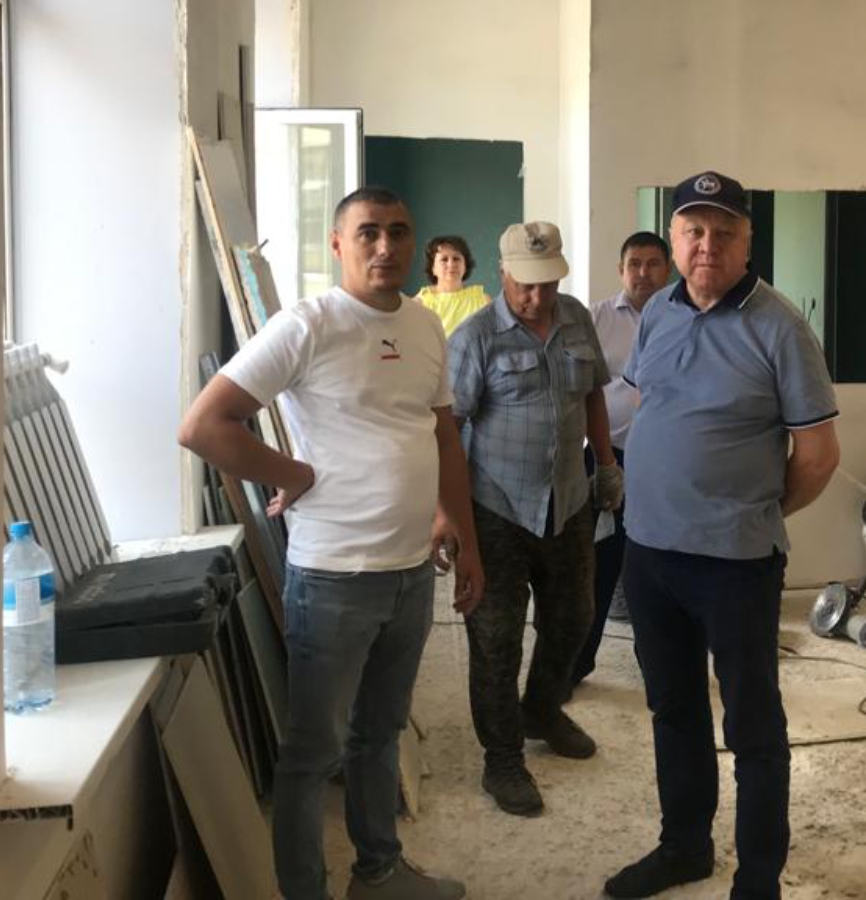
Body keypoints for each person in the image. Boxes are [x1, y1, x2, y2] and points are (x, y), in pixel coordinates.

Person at [178, 187, 482, 900]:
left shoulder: (424, 324)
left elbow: (442, 435)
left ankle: (379, 872)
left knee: (380, 733)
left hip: (411, 571)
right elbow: (204, 426)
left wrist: (462, 532)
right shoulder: (307, 326)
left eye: (399, 231)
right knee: (313, 754)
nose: (386, 246)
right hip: (335, 576)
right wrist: (295, 473)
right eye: (368, 232)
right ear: (338, 245)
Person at [605, 171, 839, 900]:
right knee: (673, 708)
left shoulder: (781, 328)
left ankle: (758, 879)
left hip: (735, 563)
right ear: (675, 240)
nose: (707, 245)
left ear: (747, 241)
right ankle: (685, 846)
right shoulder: (659, 310)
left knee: (753, 727)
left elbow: (818, 456)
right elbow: (646, 405)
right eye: (693, 231)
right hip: (650, 554)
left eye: (723, 232)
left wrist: (752, 512)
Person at [448, 220, 623, 817]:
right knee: (496, 639)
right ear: (503, 273)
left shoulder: (575, 318)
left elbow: (593, 393)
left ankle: (542, 710)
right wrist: (449, 517)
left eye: (548, 283)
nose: (538, 296)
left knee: (573, 619)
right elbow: (446, 431)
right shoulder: (475, 338)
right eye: (526, 284)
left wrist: (606, 465)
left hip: (568, 501)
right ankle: (502, 759)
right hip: (495, 507)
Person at [570, 231, 672, 688]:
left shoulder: (685, 317)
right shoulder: (596, 319)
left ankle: (658, 665)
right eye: (635, 264)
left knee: (655, 568)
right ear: (620, 269)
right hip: (606, 457)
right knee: (594, 566)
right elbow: (581, 390)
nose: (643, 273)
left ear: (668, 269)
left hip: (666, 465)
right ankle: (576, 664)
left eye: (653, 264)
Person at [417, 234, 489, 334]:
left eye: (456, 258)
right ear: (433, 268)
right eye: (444, 259)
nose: (451, 264)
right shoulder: (419, 304)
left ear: (465, 266)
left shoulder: (483, 301)